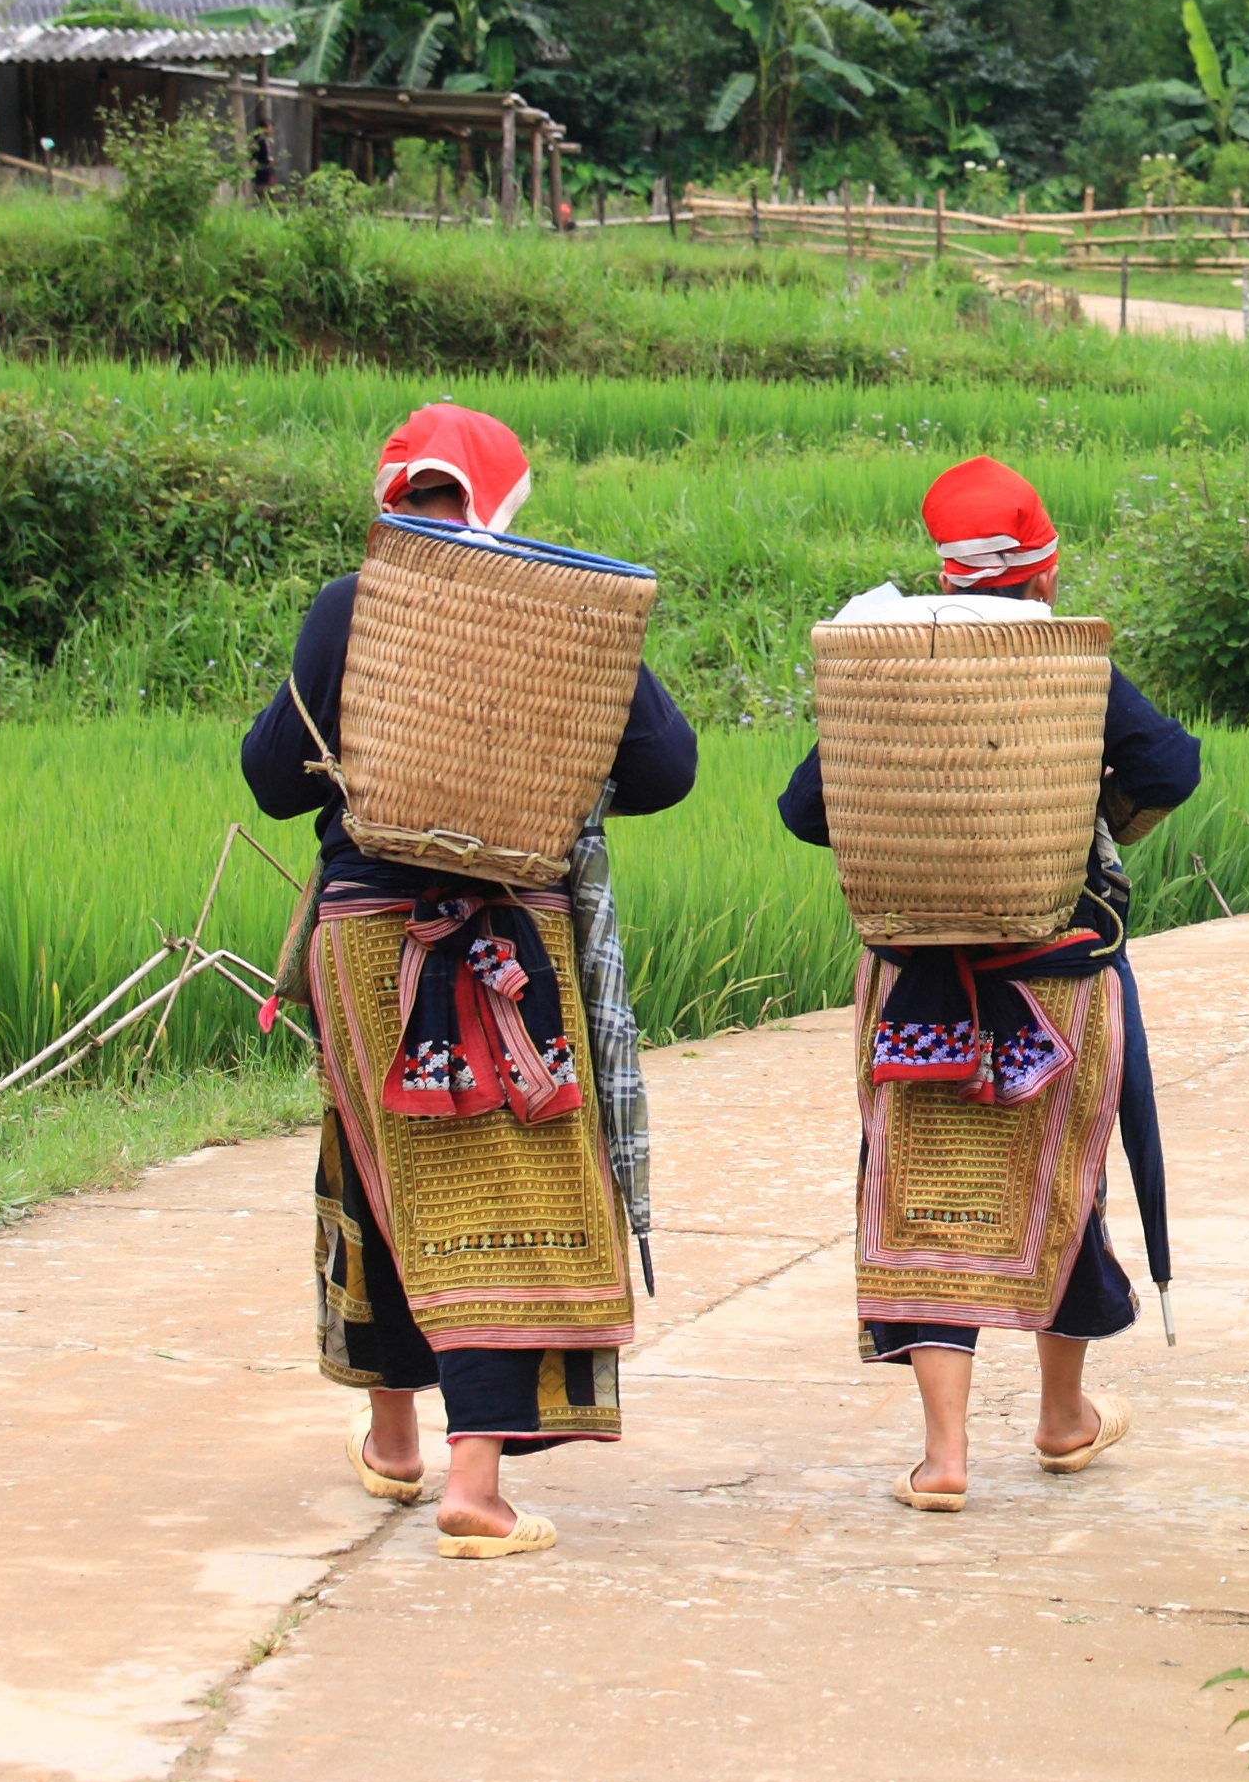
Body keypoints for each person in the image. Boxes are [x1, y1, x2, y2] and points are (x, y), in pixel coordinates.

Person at [241, 401, 696, 1560]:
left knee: (384, 1156)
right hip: (510, 946)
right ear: (502, 495)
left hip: (360, 936)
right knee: (504, 1184)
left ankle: (397, 1437)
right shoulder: (565, 610)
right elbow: (663, 769)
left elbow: (273, 779)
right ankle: (472, 1484)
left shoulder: (355, 604)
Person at [778, 455, 1197, 1511]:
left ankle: (944, 1458)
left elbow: (803, 809)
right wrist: (1080, 811)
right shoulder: (1067, 665)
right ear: (1041, 575)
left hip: (917, 987)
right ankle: (1062, 1422)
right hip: (1054, 976)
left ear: (949, 574)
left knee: (921, 1202)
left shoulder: (892, 660)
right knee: (1062, 1188)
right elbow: (1171, 766)